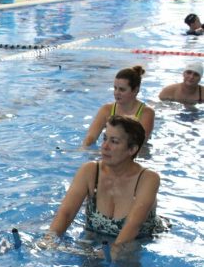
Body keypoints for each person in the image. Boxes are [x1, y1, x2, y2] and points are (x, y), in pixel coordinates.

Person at [47, 116, 164, 256]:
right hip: (95, 236)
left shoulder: (148, 179)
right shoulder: (89, 171)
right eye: (104, 139)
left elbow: (133, 226)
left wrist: (113, 252)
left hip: (139, 241)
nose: (104, 146)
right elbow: (65, 214)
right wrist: (50, 239)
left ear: (132, 149)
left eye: (114, 141)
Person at [82, 66, 154, 147]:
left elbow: (140, 144)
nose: (116, 93)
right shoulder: (107, 110)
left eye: (122, 89)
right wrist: (84, 150)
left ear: (135, 90)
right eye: (115, 88)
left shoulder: (146, 113)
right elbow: (91, 137)